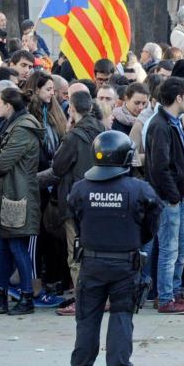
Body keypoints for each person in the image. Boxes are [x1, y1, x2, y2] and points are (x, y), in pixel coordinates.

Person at [60, 131, 162, 366]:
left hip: (91, 264)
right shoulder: (139, 189)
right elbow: (152, 224)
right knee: (120, 323)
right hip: (125, 265)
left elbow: (75, 217)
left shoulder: (81, 188)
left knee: (87, 324)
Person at [44, 90, 106, 317]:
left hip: (75, 201)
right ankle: (100, 297)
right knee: (96, 251)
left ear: (72, 108)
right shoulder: (101, 130)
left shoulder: (73, 136)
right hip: (99, 199)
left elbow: (58, 167)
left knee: (76, 254)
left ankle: (83, 301)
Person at [144, 77, 184, 314]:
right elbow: (160, 167)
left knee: (181, 248)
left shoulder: (172, 122)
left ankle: (173, 292)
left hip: (177, 197)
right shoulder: (161, 125)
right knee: (169, 248)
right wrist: (173, 196)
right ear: (178, 98)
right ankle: (165, 298)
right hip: (168, 198)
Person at [0, 87, 43, 315]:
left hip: (18, 197)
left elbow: (3, 162)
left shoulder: (23, 128)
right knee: (3, 247)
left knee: (16, 246)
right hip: (10, 196)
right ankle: (2, 296)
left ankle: (27, 296)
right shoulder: (12, 124)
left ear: (8, 105)